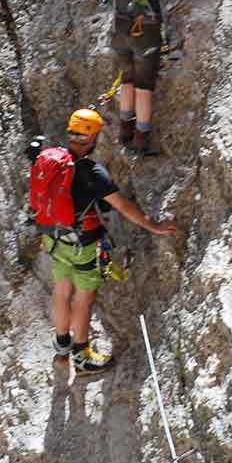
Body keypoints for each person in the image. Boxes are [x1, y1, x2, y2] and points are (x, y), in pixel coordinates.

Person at [35, 107, 179, 374]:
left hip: (53, 239)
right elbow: (123, 206)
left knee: (62, 290)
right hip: (82, 245)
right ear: (92, 138)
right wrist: (153, 226)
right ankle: (82, 355)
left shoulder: (52, 159)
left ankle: (61, 349)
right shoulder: (92, 172)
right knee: (83, 298)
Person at [109, 0, 232, 156]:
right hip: (144, 30)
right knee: (144, 86)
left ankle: (124, 133)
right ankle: (140, 142)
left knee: (127, 79)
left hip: (118, 26)